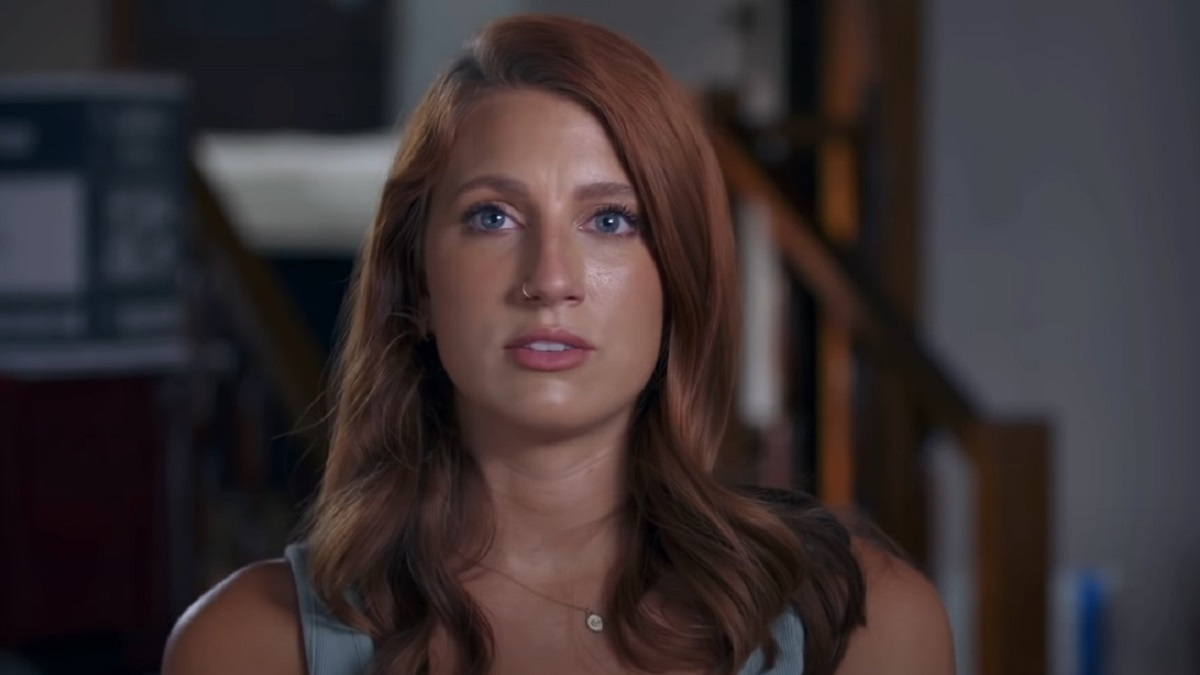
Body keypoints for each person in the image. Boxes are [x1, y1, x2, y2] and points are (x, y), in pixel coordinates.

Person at [163, 13, 954, 675]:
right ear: (419, 286)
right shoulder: (249, 645)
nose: (549, 279)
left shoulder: (860, 624)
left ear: (677, 279)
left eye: (610, 220)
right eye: (493, 217)